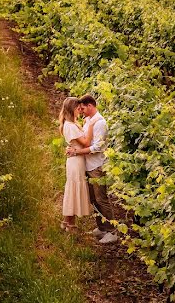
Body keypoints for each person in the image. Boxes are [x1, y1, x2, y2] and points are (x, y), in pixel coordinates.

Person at [66, 94, 119, 244]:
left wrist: (76, 152)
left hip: (97, 165)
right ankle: (102, 227)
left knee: (102, 198)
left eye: (83, 108)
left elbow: (98, 147)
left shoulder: (100, 123)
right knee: (93, 198)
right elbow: (83, 140)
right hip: (87, 165)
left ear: (90, 106)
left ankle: (112, 231)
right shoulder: (88, 120)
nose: (81, 111)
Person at [59, 96, 93, 231]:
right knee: (73, 189)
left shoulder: (70, 124)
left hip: (75, 160)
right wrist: (90, 125)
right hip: (75, 161)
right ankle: (71, 224)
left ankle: (66, 222)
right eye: (78, 108)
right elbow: (86, 143)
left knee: (72, 189)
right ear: (71, 109)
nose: (80, 111)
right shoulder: (71, 126)